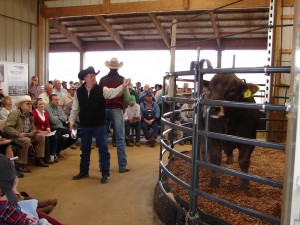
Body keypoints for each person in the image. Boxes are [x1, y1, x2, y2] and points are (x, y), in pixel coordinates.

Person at [69, 66, 131, 184]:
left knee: (103, 149)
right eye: (91, 76)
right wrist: (72, 121)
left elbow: (114, 93)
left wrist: (123, 86)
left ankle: (105, 174)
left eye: (94, 75)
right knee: (85, 149)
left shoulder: (102, 89)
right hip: (85, 125)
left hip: (99, 125)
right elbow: (75, 108)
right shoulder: (79, 92)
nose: (94, 78)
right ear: (85, 78)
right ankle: (84, 171)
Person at [0, 154, 64, 225]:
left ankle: (35, 207)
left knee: (18, 199)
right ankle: (35, 210)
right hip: (17, 218)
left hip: (15, 214)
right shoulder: (6, 208)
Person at [99, 57, 131, 173]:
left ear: (108, 67)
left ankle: (102, 166)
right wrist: (123, 107)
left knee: (103, 138)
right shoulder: (122, 80)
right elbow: (127, 98)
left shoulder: (102, 80)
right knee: (120, 138)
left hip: (104, 109)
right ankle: (122, 166)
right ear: (118, 67)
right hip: (117, 109)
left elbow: (99, 96)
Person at [4, 95, 48, 173]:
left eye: (31, 104)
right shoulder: (15, 114)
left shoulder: (30, 115)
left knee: (41, 136)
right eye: (28, 104)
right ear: (21, 105)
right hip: (15, 136)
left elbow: (33, 128)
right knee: (26, 140)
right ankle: (21, 164)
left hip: (26, 135)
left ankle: (39, 159)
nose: (30, 105)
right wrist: (18, 134)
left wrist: (31, 133)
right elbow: (8, 128)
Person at [32, 98, 59, 164]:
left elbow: (47, 124)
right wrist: (41, 132)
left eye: (43, 104)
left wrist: (48, 129)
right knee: (46, 139)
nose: (42, 105)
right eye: (40, 104)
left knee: (54, 137)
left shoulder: (45, 113)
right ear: (36, 105)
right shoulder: (33, 113)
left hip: (45, 132)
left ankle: (52, 156)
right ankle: (46, 158)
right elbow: (33, 126)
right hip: (37, 132)